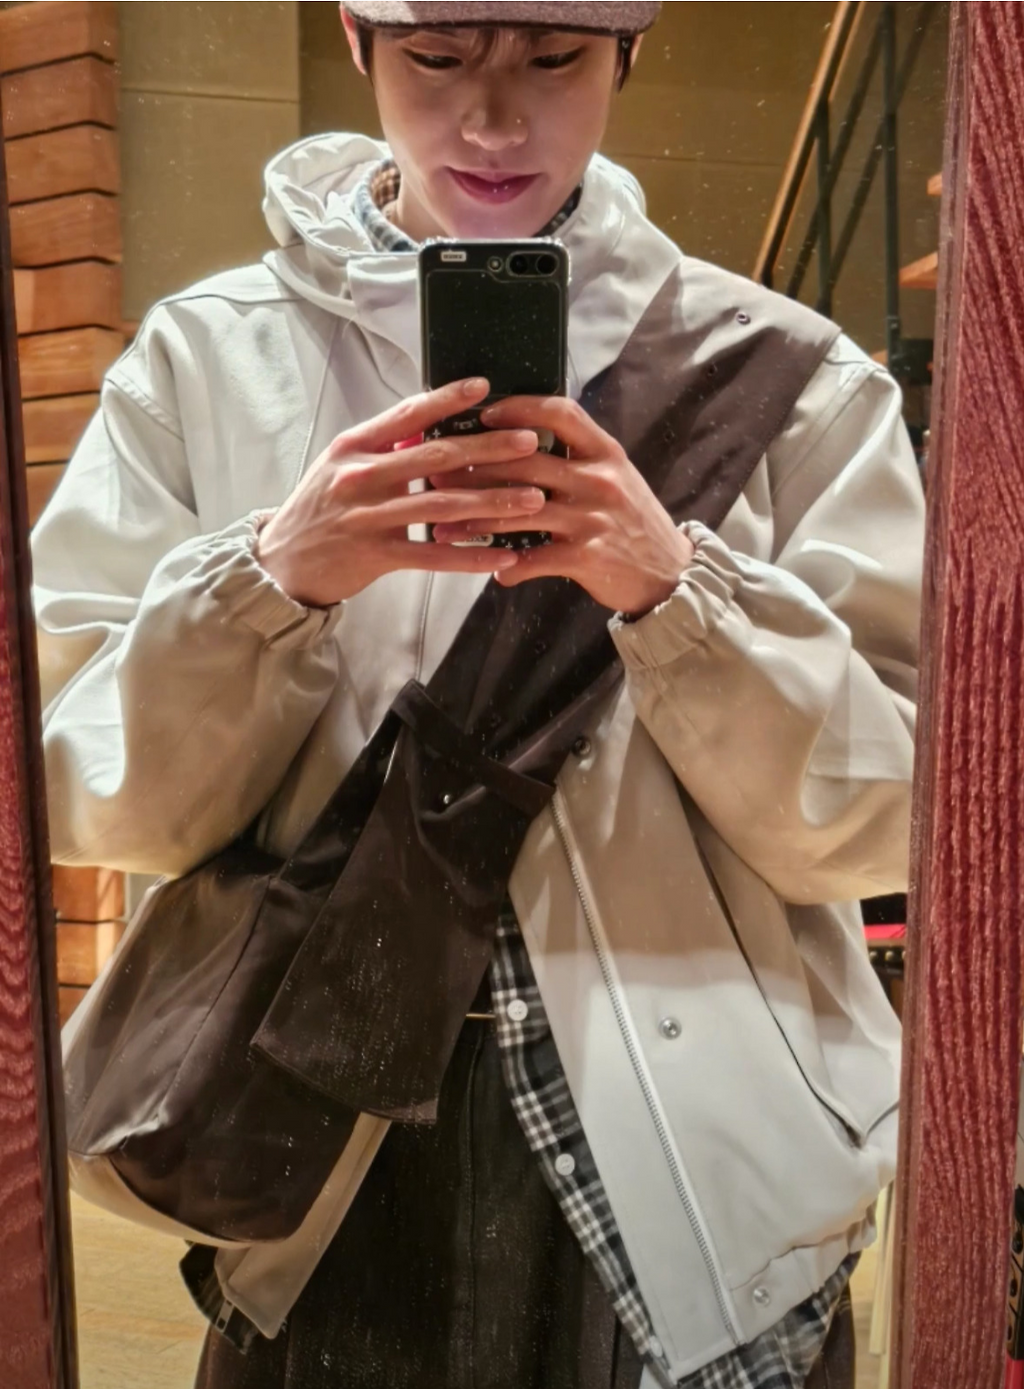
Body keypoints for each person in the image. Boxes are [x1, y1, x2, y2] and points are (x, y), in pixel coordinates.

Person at [31, 3, 924, 1387]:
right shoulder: (204, 361)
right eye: (439, 59)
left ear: (630, 52)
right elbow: (90, 796)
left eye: (553, 59)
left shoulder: (791, 380)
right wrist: (271, 581)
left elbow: (892, 822)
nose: (494, 121)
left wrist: (675, 594)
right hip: (312, 1136)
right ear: (358, 39)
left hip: (707, 1156)